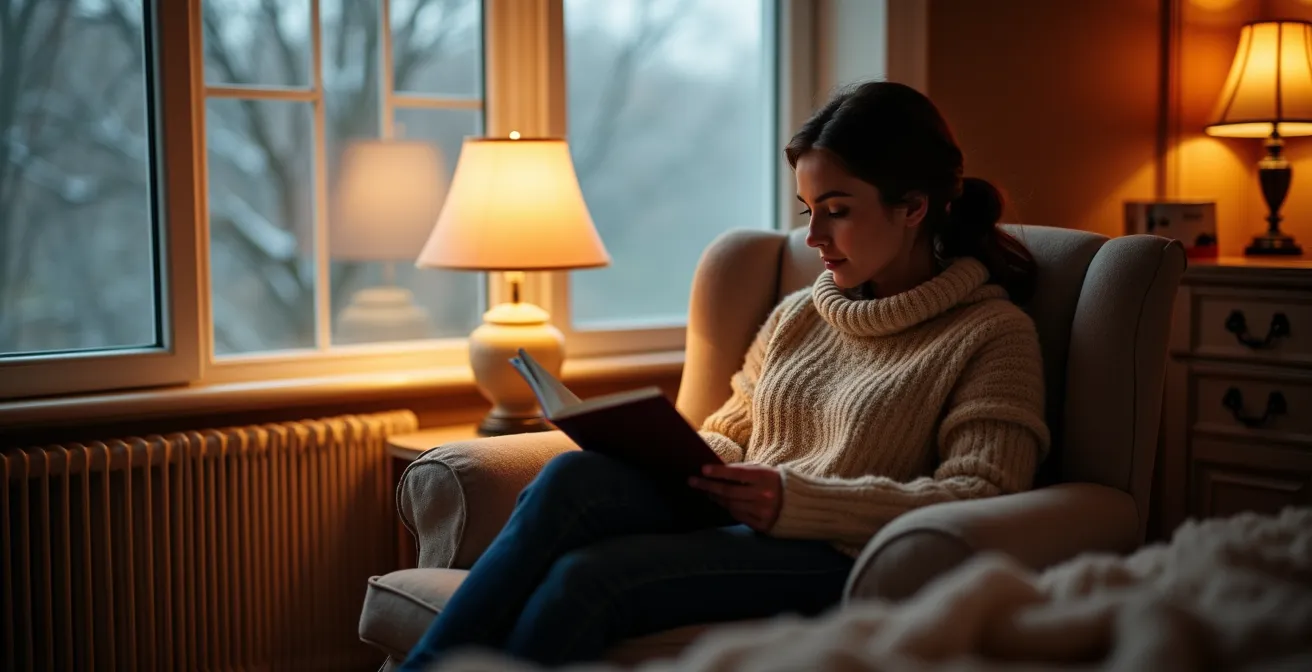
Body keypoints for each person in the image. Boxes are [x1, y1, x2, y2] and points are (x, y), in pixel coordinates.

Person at [399, 81, 1051, 670]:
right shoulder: (801, 314)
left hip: (839, 553)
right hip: (739, 517)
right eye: (807, 211)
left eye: (838, 209)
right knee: (577, 475)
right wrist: (673, 458)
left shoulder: (992, 334)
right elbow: (732, 431)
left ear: (913, 207)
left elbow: (981, 497)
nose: (815, 236)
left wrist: (796, 500)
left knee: (590, 577)